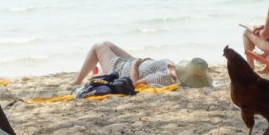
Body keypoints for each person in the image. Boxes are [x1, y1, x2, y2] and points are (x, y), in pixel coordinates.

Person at [71, 42, 212, 88]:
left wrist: (135, 65)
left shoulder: (163, 77)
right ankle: (93, 70)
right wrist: (147, 62)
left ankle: (77, 81)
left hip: (122, 70)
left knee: (97, 47)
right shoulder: (172, 66)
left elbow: (135, 83)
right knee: (107, 44)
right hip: (132, 62)